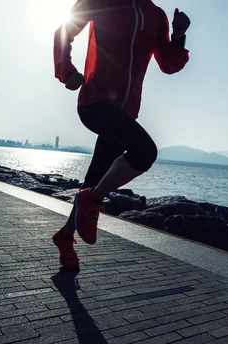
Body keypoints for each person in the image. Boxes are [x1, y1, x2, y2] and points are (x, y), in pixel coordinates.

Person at [52, 0, 191, 269]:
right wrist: (66, 70)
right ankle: (91, 200)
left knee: (95, 179)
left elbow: (169, 65)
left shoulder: (156, 16)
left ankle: (65, 237)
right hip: (96, 103)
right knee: (145, 152)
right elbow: (64, 30)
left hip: (125, 113)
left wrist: (178, 36)